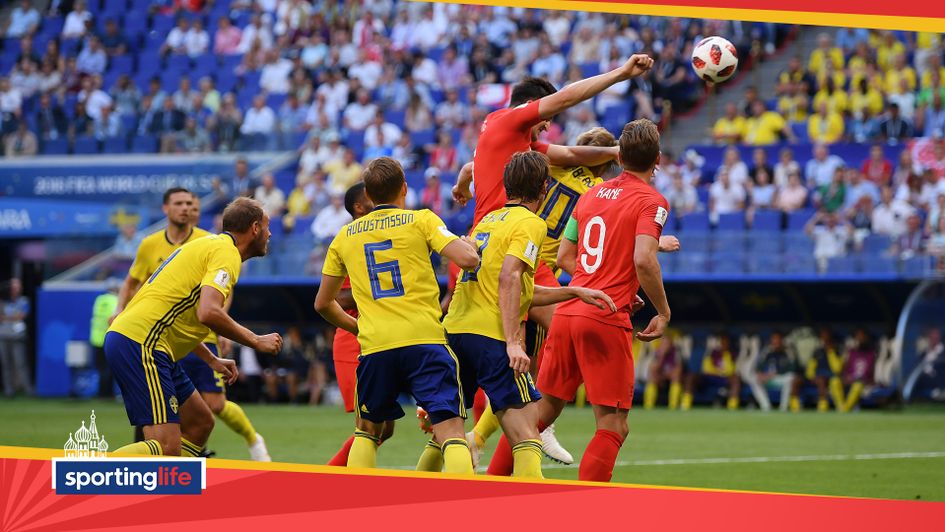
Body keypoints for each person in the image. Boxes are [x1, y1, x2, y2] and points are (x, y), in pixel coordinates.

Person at [488, 119, 671, 481]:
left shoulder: (591, 196)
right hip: (603, 318)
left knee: (538, 415)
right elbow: (644, 259)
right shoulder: (652, 201)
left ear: (619, 157)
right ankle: (585, 513)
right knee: (613, 425)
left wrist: (608, 283)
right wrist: (662, 311)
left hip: (569, 314)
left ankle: (491, 485)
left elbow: (565, 257)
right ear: (658, 160)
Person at [443, 151, 615, 476]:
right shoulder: (534, 223)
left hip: (455, 330)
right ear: (545, 187)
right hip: (492, 335)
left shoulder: (488, 219)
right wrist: (512, 341)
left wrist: (574, 291)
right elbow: (510, 277)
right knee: (528, 436)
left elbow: (514, 286)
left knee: (447, 435)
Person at [314, 157, 480, 473]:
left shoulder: (344, 236)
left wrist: (357, 326)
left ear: (370, 195)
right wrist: (469, 244)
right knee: (450, 431)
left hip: (376, 345)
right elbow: (468, 259)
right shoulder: (422, 220)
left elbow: (323, 303)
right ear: (404, 188)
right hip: (425, 340)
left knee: (368, 431)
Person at [106, 198, 282, 457]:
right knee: (167, 446)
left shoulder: (209, 245)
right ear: (255, 228)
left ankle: (170, 495)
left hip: (147, 342)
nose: (269, 234)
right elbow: (208, 312)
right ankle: (80, 475)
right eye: (267, 227)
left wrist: (211, 359)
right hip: (142, 343)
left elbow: (184, 317)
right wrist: (255, 340)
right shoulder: (227, 254)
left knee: (200, 423)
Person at [324, 182, 386, 467]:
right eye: (371, 198)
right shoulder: (345, 240)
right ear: (359, 208)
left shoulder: (383, 233)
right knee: (368, 427)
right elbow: (335, 296)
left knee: (385, 427)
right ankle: (333, 483)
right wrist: (374, 292)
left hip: (381, 336)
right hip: (353, 338)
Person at [790, 327, 844, 412]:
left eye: (826, 335)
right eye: (822, 336)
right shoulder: (818, 351)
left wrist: (830, 352)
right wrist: (810, 375)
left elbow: (837, 368)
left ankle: (822, 407)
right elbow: (811, 365)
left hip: (829, 376)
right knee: (796, 380)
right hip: (816, 376)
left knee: (821, 380)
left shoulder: (836, 349)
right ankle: (795, 407)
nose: (824, 338)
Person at [745, 331, 795, 411]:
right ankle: (766, 407)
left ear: (782, 340)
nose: (776, 342)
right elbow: (759, 366)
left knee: (791, 377)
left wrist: (775, 374)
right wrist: (761, 374)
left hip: (781, 378)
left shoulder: (788, 351)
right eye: (774, 339)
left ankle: (783, 408)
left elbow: (793, 368)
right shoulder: (767, 350)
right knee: (754, 379)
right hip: (768, 379)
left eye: (778, 339)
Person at [0, 279, 31, 397]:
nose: (16, 289)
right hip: (3, 335)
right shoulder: (3, 301)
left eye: (18, 286)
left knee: (21, 363)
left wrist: (7, 317)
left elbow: (21, 316)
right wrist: (13, 317)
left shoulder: (23, 301)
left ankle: (27, 389)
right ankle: (9, 390)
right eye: (14, 286)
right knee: (5, 364)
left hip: (18, 336)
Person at [90, 279, 120, 398]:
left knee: (101, 368)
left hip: (96, 338)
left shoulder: (100, 300)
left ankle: (102, 393)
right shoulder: (116, 301)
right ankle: (108, 394)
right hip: (108, 338)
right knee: (109, 368)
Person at [643, 329, 685, 409]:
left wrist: (669, 373)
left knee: (676, 374)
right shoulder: (656, 351)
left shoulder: (675, 351)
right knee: (652, 376)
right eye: (663, 343)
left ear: (671, 344)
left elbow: (679, 368)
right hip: (660, 375)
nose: (665, 345)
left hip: (671, 376)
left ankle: (673, 406)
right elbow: (653, 368)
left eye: (667, 343)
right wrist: (662, 355)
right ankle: (648, 406)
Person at [838, 328, 876, 412]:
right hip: (850, 380)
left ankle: (844, 409)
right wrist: (846, 377)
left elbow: (870, 372)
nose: (860, 338)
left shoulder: (871, 353)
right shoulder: (851, 352)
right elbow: (844, 369)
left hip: (863, 382)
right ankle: (841, 407)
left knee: (857, 385)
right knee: (835, 381)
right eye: (858, 336)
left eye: (862, 336)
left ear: (866, 338)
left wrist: (864, 379)